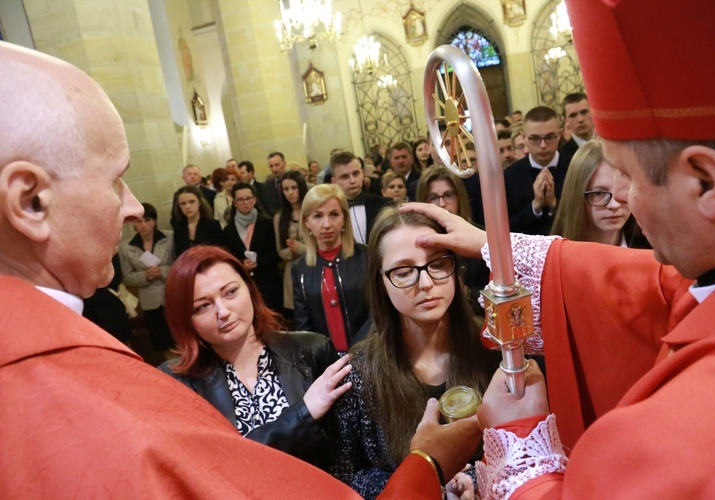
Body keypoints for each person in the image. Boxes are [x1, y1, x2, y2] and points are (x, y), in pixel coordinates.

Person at [0, 40, 489, 499]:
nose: (133, 207)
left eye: (437, 265)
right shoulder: (77, 382)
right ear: (31, 200)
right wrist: (426, 465)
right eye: (116, 180)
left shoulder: (313, 354)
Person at [402, 0, 715, 495]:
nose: (622, 199)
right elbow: (657, 287)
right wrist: (493, 245)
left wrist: (519, 439)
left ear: (708, 184)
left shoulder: (713, 412)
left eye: (626, 175)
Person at [329, 207, 501, 499]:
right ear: (380, 281)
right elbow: (345, 477)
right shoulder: (360, 372)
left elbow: (519, 446)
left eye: (437, 264)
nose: (426, 283)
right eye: (404, 272)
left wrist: (475, 477)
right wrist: (425, 476)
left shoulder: (494, 348)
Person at [158, 245, 350, 465]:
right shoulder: (176, 381)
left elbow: (348, 448)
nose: (223, 312)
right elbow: (216, 462)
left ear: (249, 288)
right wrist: (303, 413)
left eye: (231, 292)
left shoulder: (312, 349)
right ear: (186, 319)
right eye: (203, 306)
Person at [291, 184, 370, 352]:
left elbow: (379, 314)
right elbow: (304, 327)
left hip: (370, 354)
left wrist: (357, 353)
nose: (326, 224)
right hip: (326, 363)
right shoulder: (299, 268)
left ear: (344, 219)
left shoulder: (366, 256)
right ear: (307, 222)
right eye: (317, 216)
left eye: (334, 214)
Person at [416, 166, 490, 316]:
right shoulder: (416, 242)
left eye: (448, 195)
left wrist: (467, 292)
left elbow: (495, 290)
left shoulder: (480, 236)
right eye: (433, 197)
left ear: (459, 197)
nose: (441, 204)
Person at [550, 141, 648, 247]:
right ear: (577, 196)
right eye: (599, 193)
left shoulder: (651, 251)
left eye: (623, 191)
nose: (614, 205)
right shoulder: (554, 254)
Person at [504, 106, 572, 235]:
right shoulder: (508, 176)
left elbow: (585, 221)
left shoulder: (576, 168)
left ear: (560, 134)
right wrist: (535, 207)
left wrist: (554, 206)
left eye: (550, 137)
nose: (543, 145)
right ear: (524, 137)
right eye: (534, 138)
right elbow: (506, 228)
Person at [120, 203, 175, 356]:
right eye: (139, 221)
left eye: (148, 220)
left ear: (155, 221)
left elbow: (180, 265)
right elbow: (126, 277)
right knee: (162, 341)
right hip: (149, 299)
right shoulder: (126, 247)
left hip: (171, 294)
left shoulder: (169, 237)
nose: (144, 225)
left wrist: (162, 271)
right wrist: (145, 276)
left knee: (180, 336)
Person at [223, 182, 284, 314]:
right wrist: (241, 263)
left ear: (254, 200)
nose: (245, 202)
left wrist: (259, 262)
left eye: (248, 198)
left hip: (269, 282)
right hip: (244, 285)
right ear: (234, 203)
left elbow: (277, 253)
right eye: (240, 199)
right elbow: (228, 257)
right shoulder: (229, 230)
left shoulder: (268, 224)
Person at [331, 151, 388, 245]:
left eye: (356, 174)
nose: (352, 181)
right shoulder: (330, 212)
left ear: (362, 174)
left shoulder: (384, 205)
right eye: (345, 177)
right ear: (334, 181)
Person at [273, 171, 309, 315]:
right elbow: (280, 250)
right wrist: (290, 251)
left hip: (313, 264)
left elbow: (322, 244)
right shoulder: (280, 217)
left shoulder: (312, 210)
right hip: (292, 269)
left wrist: (300, 248)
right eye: (286, 189)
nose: (290, 193)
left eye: (294, 188)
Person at [172, 185, 224, 257]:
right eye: (183, 203)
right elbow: (178, 255)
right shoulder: (179, 228)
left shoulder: (212, 225)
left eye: (191, 202)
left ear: (199, 202)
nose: (187, 206)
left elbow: (220, 252)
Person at [559, 92, 596, 158]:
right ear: (566, 120)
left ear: (593, 112)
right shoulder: (562, 155)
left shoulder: (610, 146)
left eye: (584, 112)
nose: (580, 119)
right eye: (573, 115)